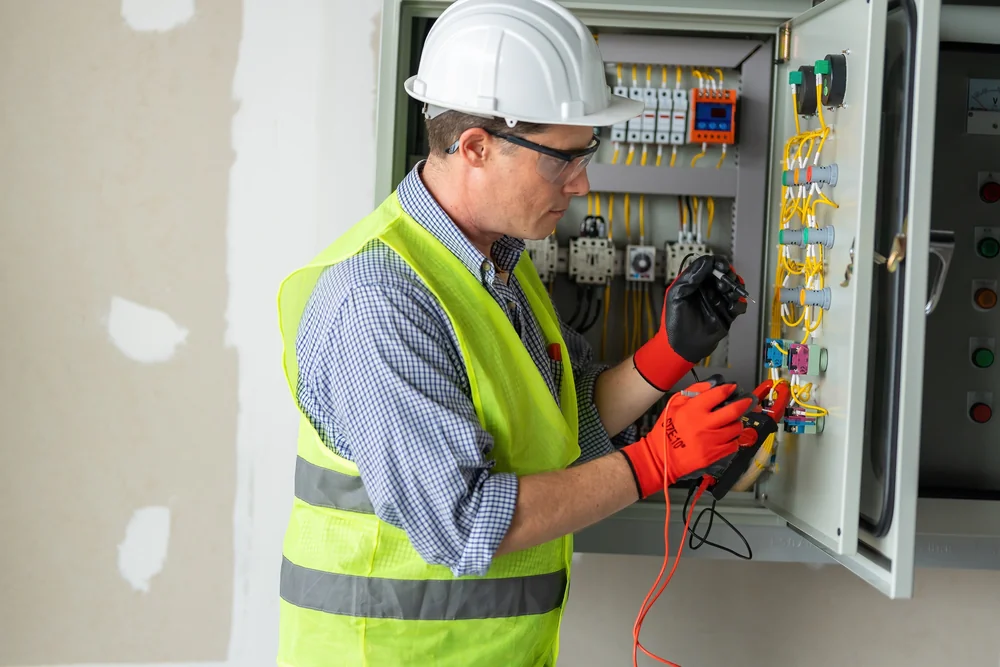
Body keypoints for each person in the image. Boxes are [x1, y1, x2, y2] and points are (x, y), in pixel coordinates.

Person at [273, 0, 753, 665]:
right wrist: (656, 461)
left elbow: (559, 426)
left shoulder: (500, 263)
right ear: (475, 147)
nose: (582, 183)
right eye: (562, 160)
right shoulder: (379, 301)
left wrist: (667, 356)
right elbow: (465, 521)